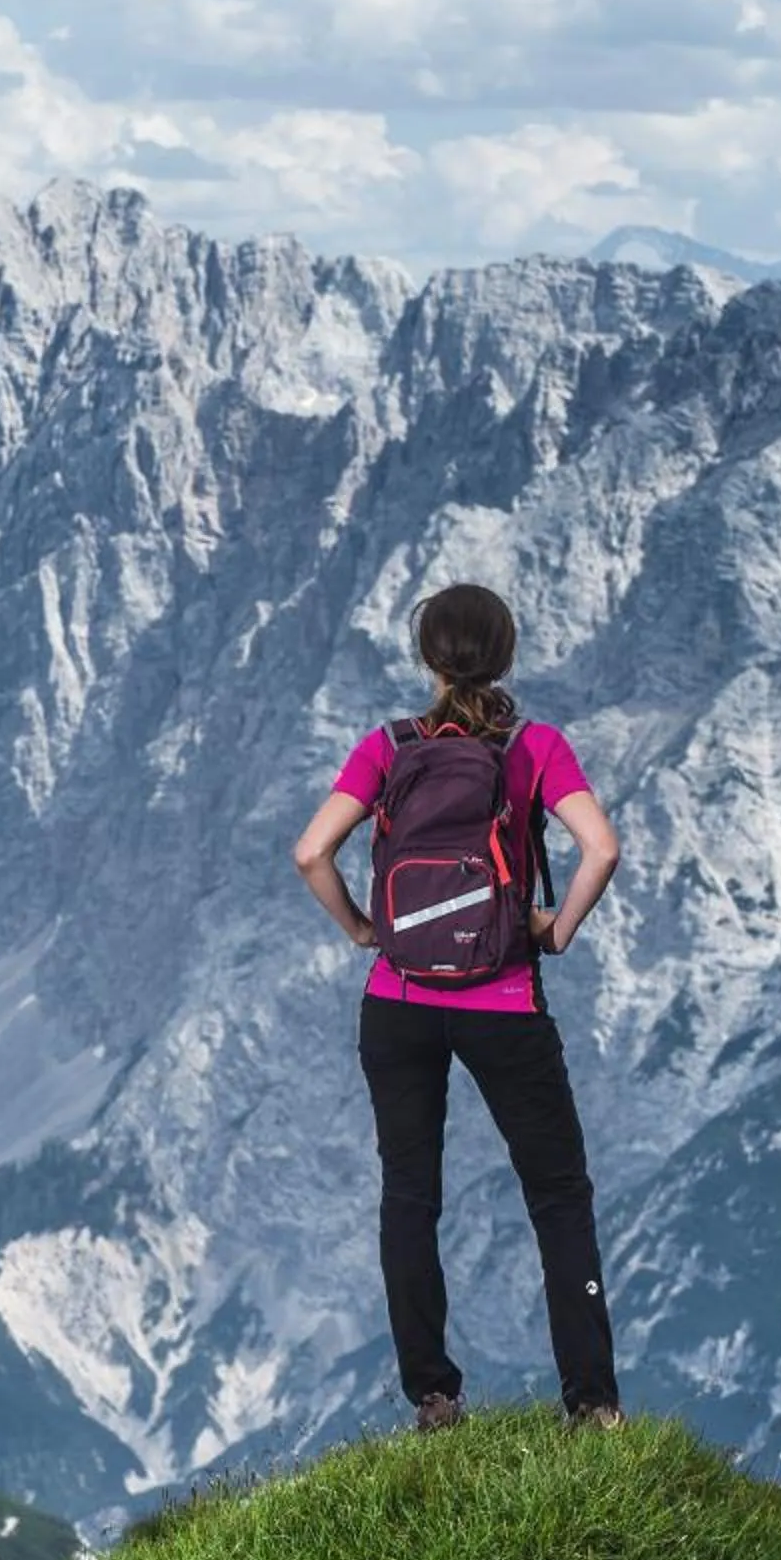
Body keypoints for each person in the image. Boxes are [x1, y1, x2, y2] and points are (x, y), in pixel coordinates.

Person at [290, 582, 625, 1433]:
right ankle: (591, 1405)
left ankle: (434, 1399)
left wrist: (365, 930)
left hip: (397, 1003)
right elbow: (602, 848)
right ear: (507, 655)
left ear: (426, 659)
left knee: (410, 1193)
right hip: (504, 1000)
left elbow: (310, 853)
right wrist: (556, 931)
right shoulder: (534, 746)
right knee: (557, 1195)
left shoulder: (387, 747)